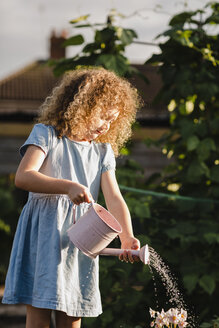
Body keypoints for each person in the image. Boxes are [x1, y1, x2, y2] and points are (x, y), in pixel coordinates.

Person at [2, 67, 142, 328]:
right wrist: (66, 186)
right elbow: (24, 176)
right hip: (44, 235)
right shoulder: (47, 135)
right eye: (103, 116)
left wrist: (127, 236)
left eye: (112, 121)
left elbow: (114, 197)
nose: (106, 126)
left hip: (80, 240)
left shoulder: (102, 152)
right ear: (83, 105)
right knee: (40, 312)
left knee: (72, 313)